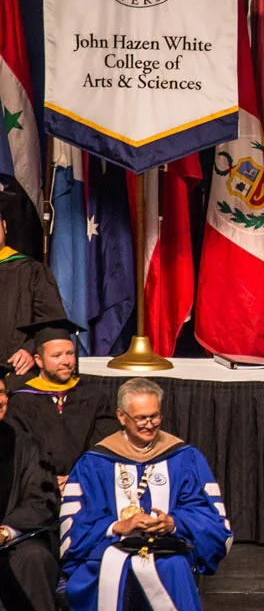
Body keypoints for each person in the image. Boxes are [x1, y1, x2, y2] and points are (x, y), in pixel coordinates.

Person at [61, 378, 232, 611]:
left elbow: (208, 516)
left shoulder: (183, 458)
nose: (150, 425)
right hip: (109, 548)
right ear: (121, 416)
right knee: (106, 571)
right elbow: (76, 524)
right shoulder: (95, 462)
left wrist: (173, 523)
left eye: (155, 416)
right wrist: (117, 526)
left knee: (173, 567)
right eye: (141, 418)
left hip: (168, 551)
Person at [5, 319, 117, 488]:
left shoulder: (93, 397)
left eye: (70, 353)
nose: (66, 361)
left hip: (86, 484)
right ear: (39, 360)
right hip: (36, 488)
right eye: (57, 356)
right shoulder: (20, 401)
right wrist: (46, 478)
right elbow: (17, 451)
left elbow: (105, 445)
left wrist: (77, 477)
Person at [0, 369, 60, 611]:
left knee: (35, 557)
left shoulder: (26, 444)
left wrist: (5, 531)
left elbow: (43, 498)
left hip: (13, 540)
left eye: (2, 392)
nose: (0, 400)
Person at [0, 193, 66, 379]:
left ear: (4, 226)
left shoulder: (31, 271)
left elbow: (52, 323)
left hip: (14, 373)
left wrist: (30, 350)